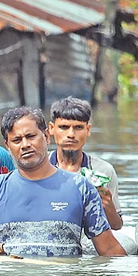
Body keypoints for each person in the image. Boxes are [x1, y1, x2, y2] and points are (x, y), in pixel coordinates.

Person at [0, 107, 126, 257]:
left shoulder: (81, 187)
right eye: (16, 140)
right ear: (7, 145)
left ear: (46, 136)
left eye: (31, 136)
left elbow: (109, 249)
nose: (25, 145)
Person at [48, 97, 123, 231]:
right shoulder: (40, 167)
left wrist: (108, 205)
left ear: (88, 130)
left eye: (78, 127)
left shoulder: (103, 171)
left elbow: (116, 226)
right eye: (64, 127)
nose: (71, 134)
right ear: (51, 129)